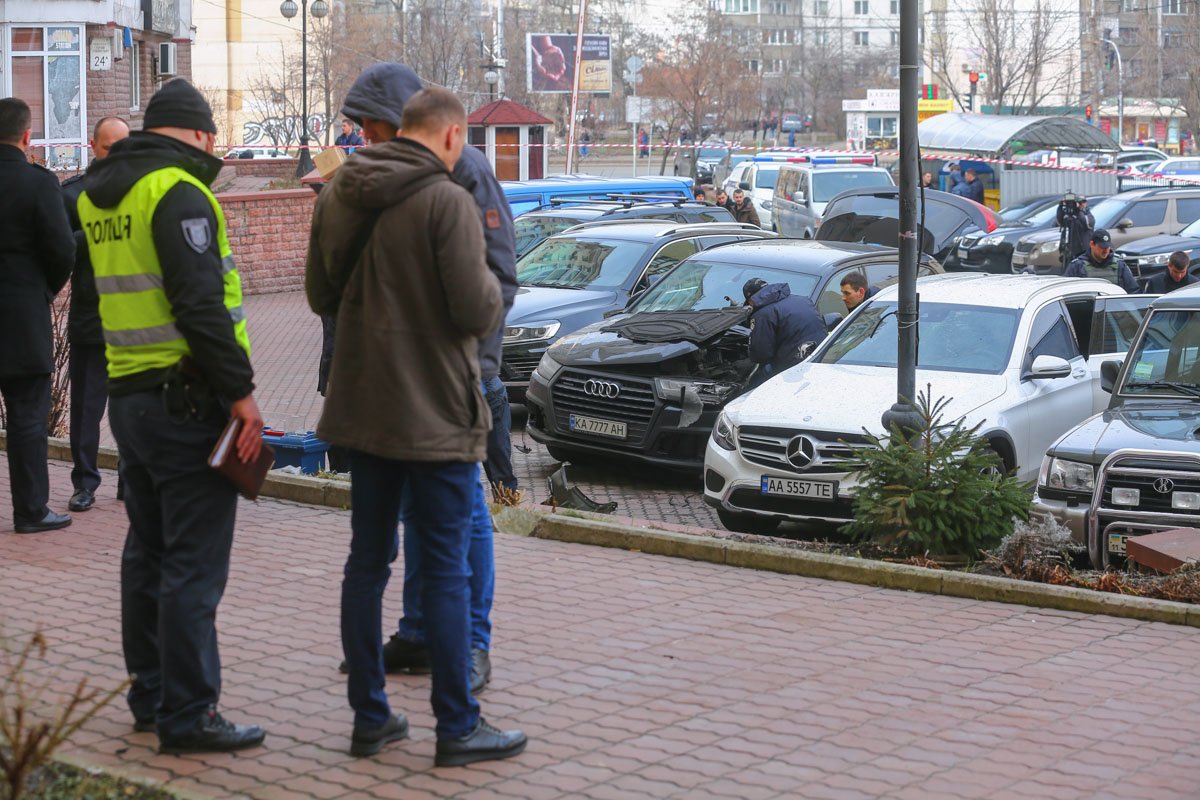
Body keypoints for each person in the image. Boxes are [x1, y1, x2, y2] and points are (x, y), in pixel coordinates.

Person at [305, 81, 526, 765]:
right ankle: (457, 727)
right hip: (434, 412)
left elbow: (319, 294)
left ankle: (370, 718)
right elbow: (477, 309)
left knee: (365, 563)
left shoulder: (341, 191)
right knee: (446, 567)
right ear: (453, 136)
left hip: (363, 406)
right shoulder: (447, 200)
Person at [77, 79, 266, 752]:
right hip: (187, 403)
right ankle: (190, 715)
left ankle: (151, 696)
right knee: (191, 564)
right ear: (197, 135)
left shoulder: (106, 195)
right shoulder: (177, 191)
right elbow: (200, 304)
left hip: (128, 398)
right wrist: (241, 394)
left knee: (148, 555)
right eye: (210, 134)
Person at [0, 97, 75, 534]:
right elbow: (63, 249)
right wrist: (43, 290)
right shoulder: (38, 183)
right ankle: (30, 510)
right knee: (27, 416)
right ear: (27, 136)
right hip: (23, 319)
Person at [61, 116, 130, 513]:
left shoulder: (142, 192)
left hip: (135, 323)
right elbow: (57, 247)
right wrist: (99, 231)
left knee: (134, 405)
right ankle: (84, 483)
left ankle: (129, 479)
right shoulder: (71, 196)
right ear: (93, 146)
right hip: (91, 318)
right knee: (87, 409)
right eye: (109, 147)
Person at [743, 277, 827, 386]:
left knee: (754, 384)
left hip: (793, 368)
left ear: (751, 300)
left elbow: (761, 354)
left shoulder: (763, 314)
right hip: (823, 357)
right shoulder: (803, 300)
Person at [1064, 229, 1139, 292]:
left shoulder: (1120, 265)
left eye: (1107, 247)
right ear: (1092, 244)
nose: (1105, 250)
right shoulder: (1077, 266)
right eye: (1102, 247)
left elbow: (1133, 291)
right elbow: (1066, 291)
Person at [1055, 194, 1094, 263]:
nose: (1081, 205)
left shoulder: (1088, 215)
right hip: (1072, 251)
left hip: (1084, 251)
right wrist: (1060, 206)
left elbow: (1085, 222)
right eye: (1079, 203)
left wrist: (1078, 211)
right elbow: (1060, 221)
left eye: (1083, 202)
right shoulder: (1071, 215)